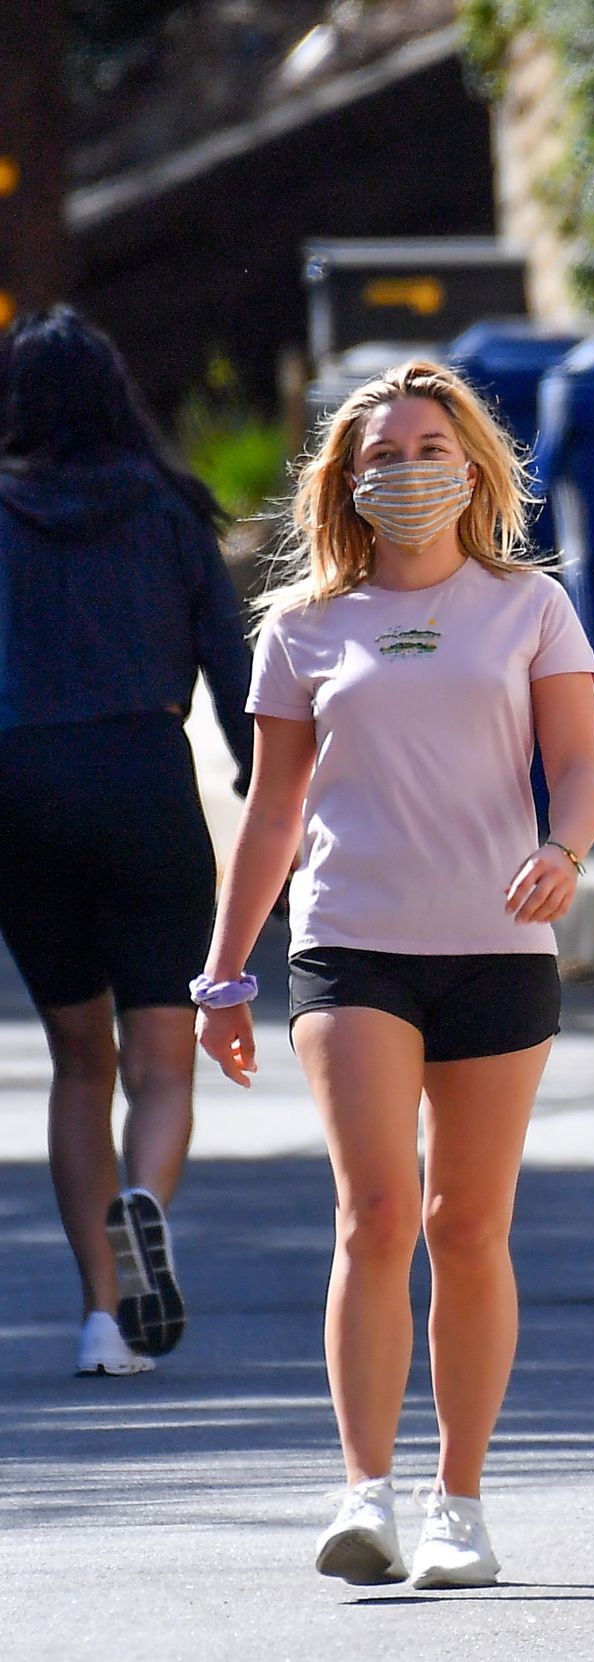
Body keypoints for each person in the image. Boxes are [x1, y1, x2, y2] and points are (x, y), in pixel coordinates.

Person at [195, 360, 594, 1590]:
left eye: (431, 450)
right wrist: (223, 973)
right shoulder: (303, 627)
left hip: (497, 950)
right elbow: (272, 814)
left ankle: (459, 1504)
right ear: (347, 480)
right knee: (374, 1216)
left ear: (472, 469)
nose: (409, 471)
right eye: (383, 454)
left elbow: (578, 769)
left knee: (466, 1227)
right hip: (351, 946)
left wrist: (563, 851)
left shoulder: (530, 608)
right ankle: (364, 1493)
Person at [0, 305, 253, 1379]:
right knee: (160, 1063)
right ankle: (144, 1199)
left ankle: (102, 1319)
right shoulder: (170, 509)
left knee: (78, 1063)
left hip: (20, 793)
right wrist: (263, 791)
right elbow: (236, 675)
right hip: (146, 785)